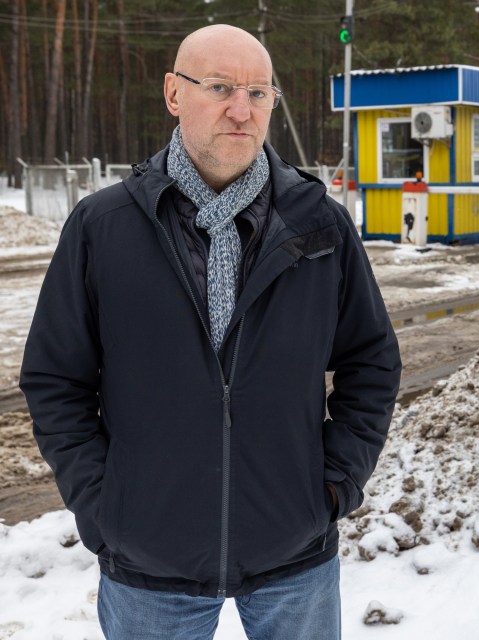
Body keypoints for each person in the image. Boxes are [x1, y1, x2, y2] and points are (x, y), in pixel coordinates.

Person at [19, 24, 401, 639]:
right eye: (221, 87)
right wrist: (105, 507)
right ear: (174, 94)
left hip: (293, 558)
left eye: (258, 92)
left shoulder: (318, 225)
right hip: (149, 566)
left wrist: (333, 486)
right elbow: (55, 379)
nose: (241, 109)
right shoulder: (104, 227)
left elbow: (372, 363)